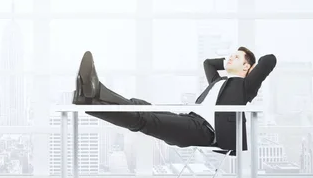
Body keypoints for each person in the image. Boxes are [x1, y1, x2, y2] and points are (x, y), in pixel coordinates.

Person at [72, 48, 277, 151]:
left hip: (205, 132)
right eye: (230, 55)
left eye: (237, 58)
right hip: (189, 119)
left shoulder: (245, 88)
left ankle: (91, 98)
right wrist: (230, 62)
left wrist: (248, 70)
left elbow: (269, 60)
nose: (231, 57)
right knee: (140, 105)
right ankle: (92, 96)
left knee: (145, 119)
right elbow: (208, 64)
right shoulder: (218, 81)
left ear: (246, 68)